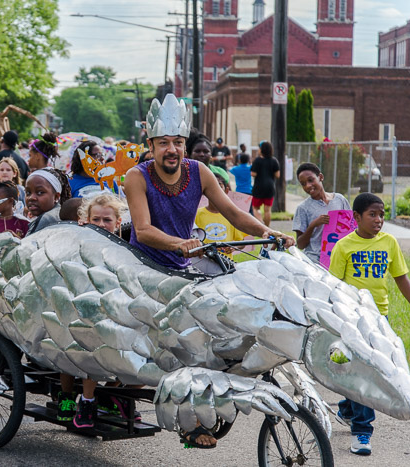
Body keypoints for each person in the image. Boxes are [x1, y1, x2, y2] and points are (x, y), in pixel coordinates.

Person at [125, 94, 294, 447]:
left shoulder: (198, 172)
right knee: (181, 344)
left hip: (185, 265)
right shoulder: (136, 177)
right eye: (164, 143)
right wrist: (177, 243)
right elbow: (142, 230)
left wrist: (268, 233)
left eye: (177, 142)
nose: (171, 149)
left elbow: (233, 214)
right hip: (145, 268)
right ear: (151, 145)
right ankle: (189, 421)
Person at [329, 193, 410, 456]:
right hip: (352, 319)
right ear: (356, 217)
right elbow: (334, 287)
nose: (379, 220)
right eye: (372, 215)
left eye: (381, 214)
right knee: (362, 371)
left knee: (374, 370)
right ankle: (362, 431)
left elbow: (400, 276)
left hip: (380, 318)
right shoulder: (344, 246)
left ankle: (347, 408)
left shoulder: (389, 242)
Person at [58, 193, 129, 429]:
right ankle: (76, 398)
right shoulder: (78, 245)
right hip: (80, 311)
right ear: (85, 220)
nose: (101, 225)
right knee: (86, 338)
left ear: (118, 222)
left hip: (114, 309)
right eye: (95, 219)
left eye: (106, 220)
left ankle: (108, 395)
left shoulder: (125, 248)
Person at [293, 162, 350, 264]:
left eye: (311, 180)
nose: (308, 186)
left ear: (320, 177)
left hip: (339, 258)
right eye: (303, 184)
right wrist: (313, 225)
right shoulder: (303, 208)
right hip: (315, 261)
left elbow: (351, 228)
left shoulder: (340, 200)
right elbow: (300, 245)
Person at [195, 174, 248, 258]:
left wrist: (233, 247)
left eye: (219, 185)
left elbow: (241, 243)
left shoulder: (231, 215)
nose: (215, 190)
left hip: (225, 266)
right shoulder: (197, 214)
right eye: (211, 186)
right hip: (203, 264)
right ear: (204, 191)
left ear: (226, 191)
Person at [24, 167, 71, 234]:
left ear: (56, 197)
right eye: (28, 193)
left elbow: (28, 244)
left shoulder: (46, 219)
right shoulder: (58, 213)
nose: (31, 198)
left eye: (40, 192)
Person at [250, 141, 280, 227]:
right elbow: (277, 175)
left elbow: (253, 174)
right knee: (267, 210)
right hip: (270, 187)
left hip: (259, 187)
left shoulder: (257, 160)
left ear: (261, 150)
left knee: (255, 208)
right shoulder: (274, 161)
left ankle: (261, 224)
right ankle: (267, 227)